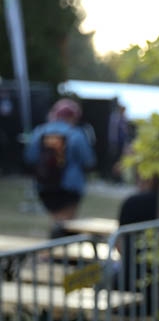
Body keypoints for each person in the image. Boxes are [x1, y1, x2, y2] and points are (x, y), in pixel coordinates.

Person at [23, 98, 96, 237]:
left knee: (57, 220)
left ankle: (56, 244)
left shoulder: (40, 132)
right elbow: (88, 160)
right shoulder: (76, 134)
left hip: (45, 184)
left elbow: (30, 157)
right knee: (66, 223)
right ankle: (59, 246)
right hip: (70, 186)